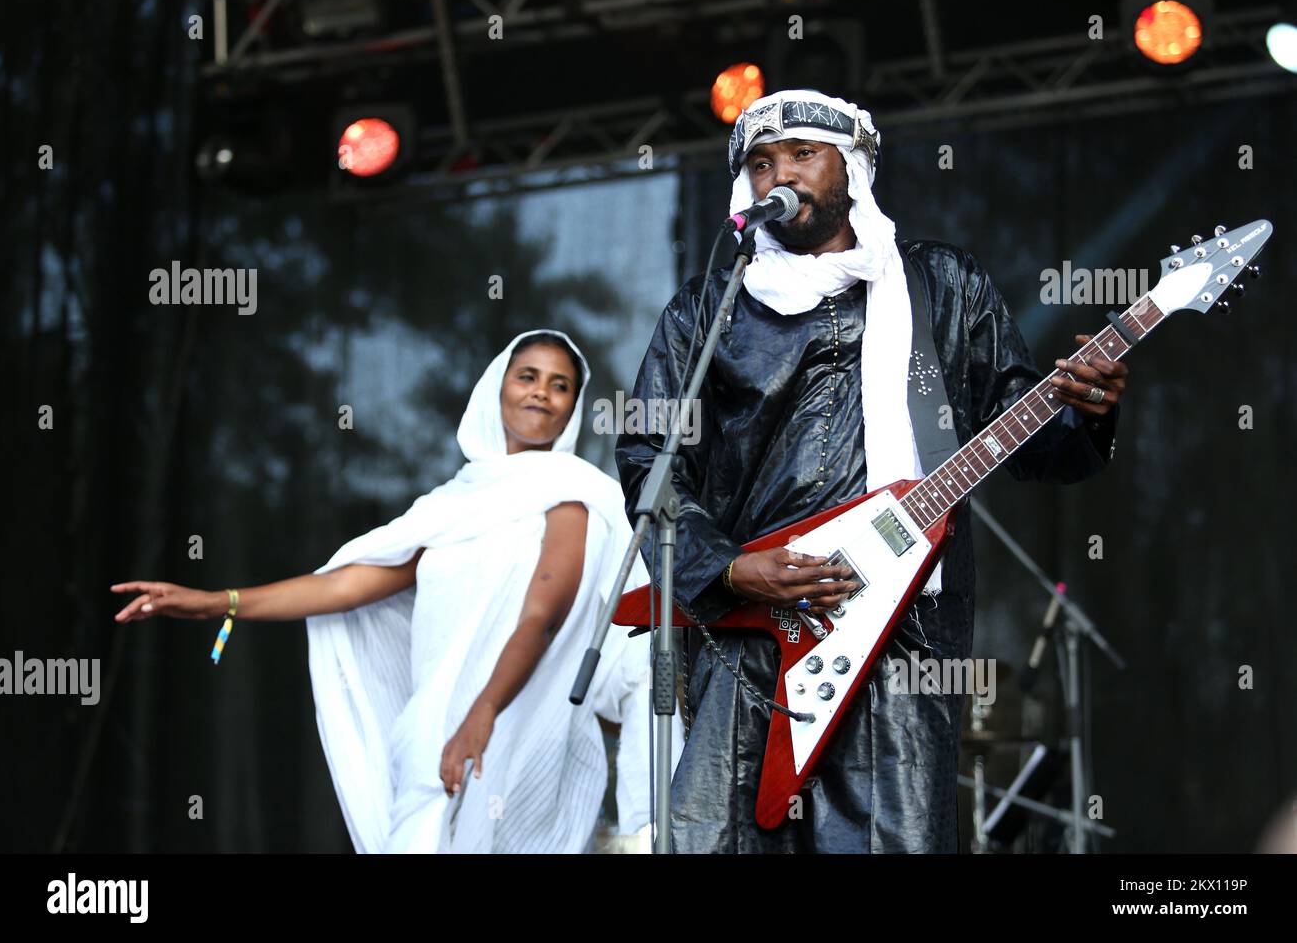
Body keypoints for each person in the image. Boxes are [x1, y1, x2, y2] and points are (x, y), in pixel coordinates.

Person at [615, 89, 1129, 853]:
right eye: (760, 163)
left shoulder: (938, 286)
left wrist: (1087, 410)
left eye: (801, 155)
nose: (778, 175)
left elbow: (1029, 439)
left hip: (904, 626)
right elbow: (650, 462)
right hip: (752, 629)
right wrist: (731, 569)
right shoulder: (706, 309)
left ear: (851, 168)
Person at [113, 329, 669, 853]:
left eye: (560, 384)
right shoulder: (452, 506)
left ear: (573, 407)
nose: (541, 393)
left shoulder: (572, 496)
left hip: (510, 732)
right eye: (528, 376)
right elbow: (347, 585)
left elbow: (541, 617)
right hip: (433, 738)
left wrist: (483, 714)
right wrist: (218, 602)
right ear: (496, 385)